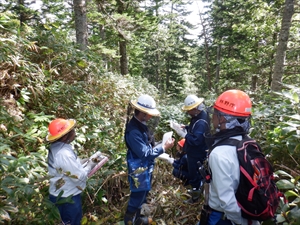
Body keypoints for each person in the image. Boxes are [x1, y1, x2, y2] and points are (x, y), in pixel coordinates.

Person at [198, 89, 260, 225]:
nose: (212, 117)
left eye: (215, 113)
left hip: (224, 218)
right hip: (246, 213)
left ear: (222, 118)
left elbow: (227, 201)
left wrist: (244, 223)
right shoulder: (247, 143)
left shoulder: (219, 154)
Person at [124, 94, 175, 225]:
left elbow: (147, 144)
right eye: (149, 113)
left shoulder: (141, 124)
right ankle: (129, 220)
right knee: (138, 194)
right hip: (138, 166)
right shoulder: (133, 131)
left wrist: (160, 144)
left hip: (145, 165)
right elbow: (145, 153)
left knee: (144, 191)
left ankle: (139, 218)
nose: (151, 116)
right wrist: (163, 147)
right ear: (142, 112)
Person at [46, 118, 97, 225]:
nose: (75, 132)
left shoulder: (58, 147)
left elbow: (66, 168)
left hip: (60, 194)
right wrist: (90, 166)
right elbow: (78, 177)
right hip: (67, 198)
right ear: (65, 136)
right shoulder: (64, 154)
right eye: (72, 130)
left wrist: (83, 162)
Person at [172, 94, 210, 203]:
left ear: (195, 109)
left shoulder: (201, 121)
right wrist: (186, 128)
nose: (188, 112)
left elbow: (197, 140)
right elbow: (195, 129)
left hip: (197, 153)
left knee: (195, 175)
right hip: (193, 153)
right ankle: (196, 191)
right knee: (194, 173)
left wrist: (184, 135)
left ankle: (195, 197)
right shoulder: (198, 116)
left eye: (189, 110)